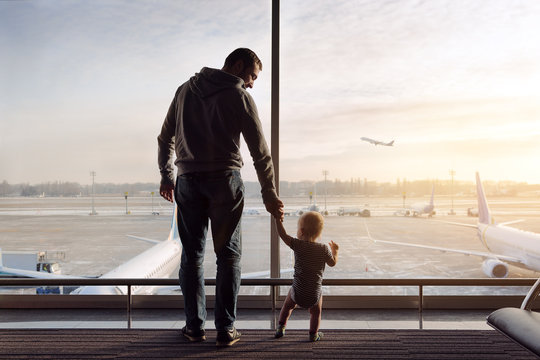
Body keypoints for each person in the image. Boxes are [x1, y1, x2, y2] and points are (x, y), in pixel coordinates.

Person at [157, 48, 284, 347]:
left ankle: (193, 327)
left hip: (187, 181)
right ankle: (226, 329)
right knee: (228, 256)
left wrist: (167, 175)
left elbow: (165, 138)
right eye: (252, 76)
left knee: (191, 257)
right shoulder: (239, 97)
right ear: (238, 66)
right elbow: (260, 153)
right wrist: (269, 193)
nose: (252, 83)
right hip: (224, 183)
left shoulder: (184, 90)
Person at [274, 211, 339, 342]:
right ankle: (313, 334)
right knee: (316, 312)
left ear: (301, 231)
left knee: (287, 306)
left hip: (297, 292)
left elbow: (283, 235)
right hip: (313, 294)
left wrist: (278, 220)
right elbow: (332, 263)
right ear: (319, 233)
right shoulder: (324, 249)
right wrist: (335, 252)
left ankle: (281, 327)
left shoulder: (298, 245)